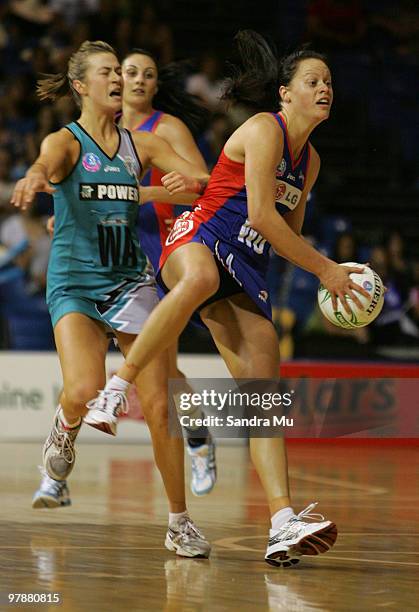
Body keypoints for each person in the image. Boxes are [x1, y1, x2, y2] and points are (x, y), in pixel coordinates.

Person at [86, 31, 371, 567]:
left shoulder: (308, 163)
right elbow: (261, 214)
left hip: (249, 264)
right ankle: (117, 388)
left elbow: (284, 233)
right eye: (313, 81)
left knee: (266, 393)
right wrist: (329, 269)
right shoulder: (265, 129)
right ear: (285, 93)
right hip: (200, 235)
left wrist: (336, 280)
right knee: (198, 281)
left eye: (329, 82)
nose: (324, 88)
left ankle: (282, 522)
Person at [12, 40, 212, 558]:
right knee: (83, 388)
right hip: (75, 284)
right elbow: (44, 162)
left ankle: (179, 522)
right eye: (106, 73)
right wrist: (35, 177)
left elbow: (202, 186)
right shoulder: (66, 142)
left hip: (131, 282)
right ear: (81, 86)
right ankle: (63, 435)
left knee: (159, 402)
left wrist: (187, 182)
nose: (117, 80)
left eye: (118, 73)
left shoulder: (140, 145)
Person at [119, 48, 216, 496]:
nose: (139, 80)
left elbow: (204, 182)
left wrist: (148, 191)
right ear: (115, 79)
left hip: (162, 250)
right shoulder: (99, 132)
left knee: (161, 367)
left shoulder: (167, 128)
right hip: (113, 259)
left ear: (157, 85)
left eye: (149, 74)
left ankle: (196, 440)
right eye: (131, 72)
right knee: (162, 370)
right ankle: (198, 433)